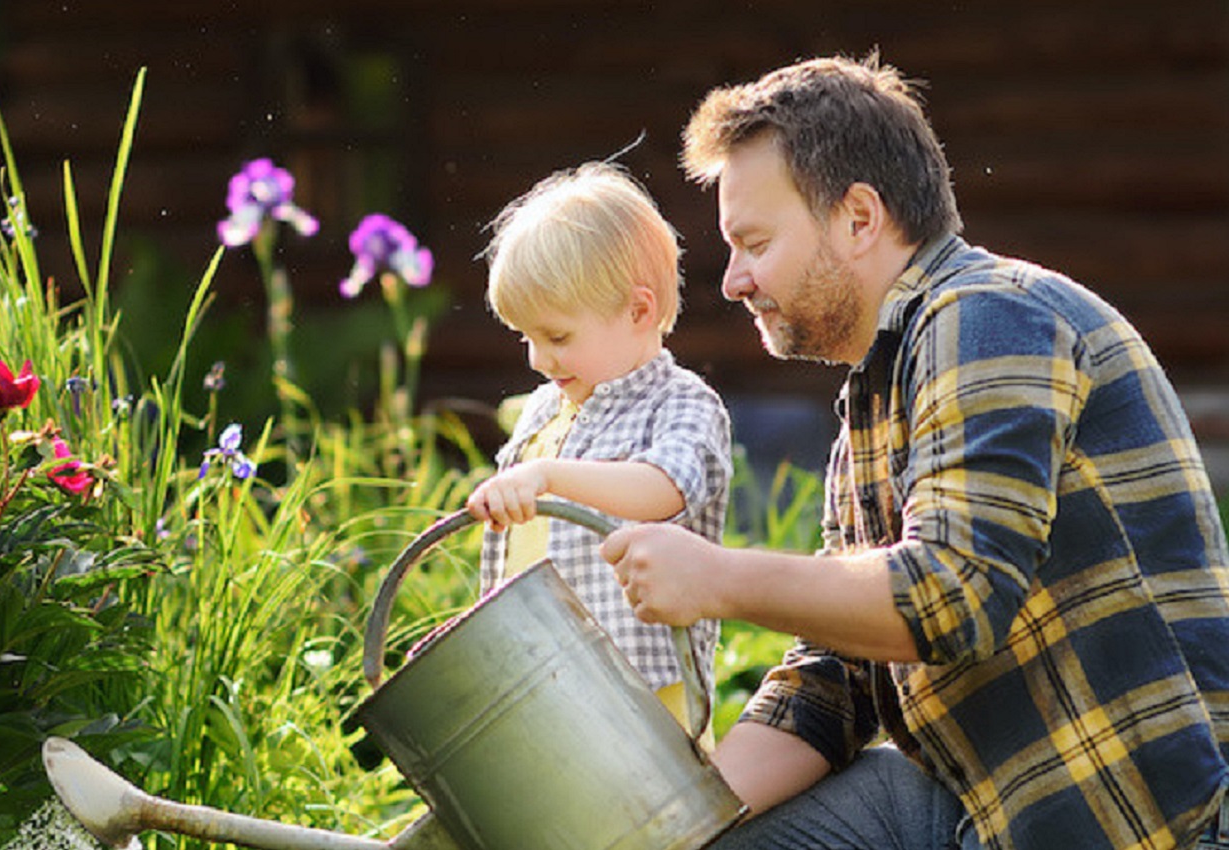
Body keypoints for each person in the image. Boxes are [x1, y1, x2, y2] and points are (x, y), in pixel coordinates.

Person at [600, 54, 1229, 850]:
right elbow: (834, 682)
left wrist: (718, 576)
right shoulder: (880, 389)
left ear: (859, 219)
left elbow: (955, 591)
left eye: (753, 242)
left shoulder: (992, 316)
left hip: (1136, 820)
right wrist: (657, 830)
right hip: (982, 805)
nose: (733, 281)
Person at [467, 161, 733, 732]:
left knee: (657, 821)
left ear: (638, 311)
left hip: (644, 695)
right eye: (526, 337)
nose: (538, 359)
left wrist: (547, 476)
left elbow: (665, 488)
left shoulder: (682, 404)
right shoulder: (545, 410)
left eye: (557, 336)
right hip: (540, 683)